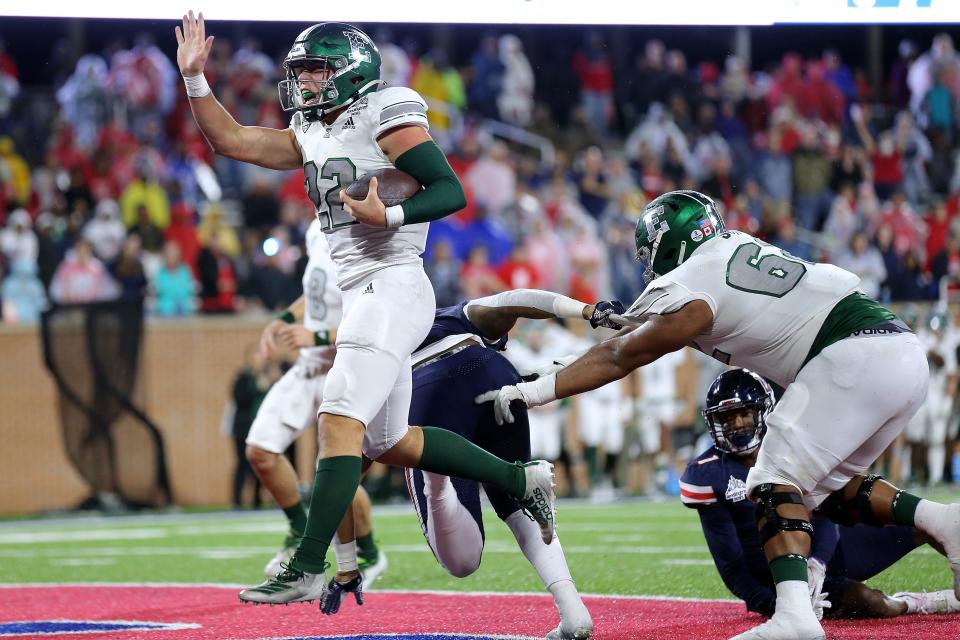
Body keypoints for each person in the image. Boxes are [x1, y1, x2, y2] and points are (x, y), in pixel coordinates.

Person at [176, 13, 558, 606]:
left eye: (314, 71)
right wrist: (196, 81)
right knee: (391, 442)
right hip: (364, 292)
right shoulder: (312, 128)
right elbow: (232, 141)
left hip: (394, 280)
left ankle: (307, 563)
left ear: (351, 72)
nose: (302, 84)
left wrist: (392, 216)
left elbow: (451, 189)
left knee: (336, 421)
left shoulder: (384, 111)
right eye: (299, 72)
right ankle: (519, 478)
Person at [477, 189, 960, 640]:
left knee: (770, 477)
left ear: (669, 243)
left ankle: (793, 616)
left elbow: (622, 354)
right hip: (898, 352)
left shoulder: (694, 280)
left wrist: (536, 389)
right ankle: (942, 521)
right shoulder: (734, 249)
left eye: (650, 251)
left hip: (853, 355)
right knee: (822, 489)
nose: (648, 264)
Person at [322, 288, 624, 639]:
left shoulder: (366, 359)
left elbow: (337, 482)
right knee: (519, 504)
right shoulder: (453, 315)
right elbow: (516, 299)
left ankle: (437, 476)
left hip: (425, 394)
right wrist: (588, 310)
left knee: (462, 562)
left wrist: (346, 566)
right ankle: (572, 609)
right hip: (490, 372)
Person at [683, 368, 960, 620]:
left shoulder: (791, 448)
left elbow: (824, 513)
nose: (738, 424)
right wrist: (776, 605)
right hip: (778, 575)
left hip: (829, 550)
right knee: (870, 601)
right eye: (727, 418)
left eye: (745, 413)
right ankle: (914, 602)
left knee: (927, 525)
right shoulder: (707, 474)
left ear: (764, 411)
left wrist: (819, 562)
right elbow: (732, 566)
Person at [245, 219, 386, 583]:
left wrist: (318, 334)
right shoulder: (315, 229)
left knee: (340, 476)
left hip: (346, 367)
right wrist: (283, 319)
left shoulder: (365, 232)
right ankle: (299, 530)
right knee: (260, 449)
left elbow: (375, 315)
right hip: (310, 368)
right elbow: (318, 293)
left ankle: (369, 555)